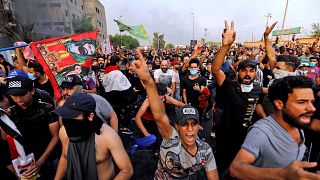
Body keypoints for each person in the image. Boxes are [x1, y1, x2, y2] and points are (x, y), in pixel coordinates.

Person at [130, 48, 219, 179]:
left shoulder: (205, 150)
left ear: (199, 126)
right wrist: (148, 82)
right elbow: (159, 116)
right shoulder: (170, 138)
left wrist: (185, 105)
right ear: (177, 127)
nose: (190, 129)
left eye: (194, 124)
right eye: (184, 124)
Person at [230, 76, 320, 179]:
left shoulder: (297, 125)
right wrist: (282, 174)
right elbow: (235, 169)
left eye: (311, 102)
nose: (312, 108)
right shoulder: (261, 132)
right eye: (301, 102)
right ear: (279, 104)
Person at [211, 20, 265, 177]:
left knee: (241, 171)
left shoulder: (257, 89)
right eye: (244, 71)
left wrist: (268, 122)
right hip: (226, 138)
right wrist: (226, 46)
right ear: (238, 72)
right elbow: (215, 70)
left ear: (255, 73)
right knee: (223, 169)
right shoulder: (229, 85)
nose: (248, 74)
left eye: (251, 71)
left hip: (247, 140)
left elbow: (258, 106)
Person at [54, 93, 133, 180]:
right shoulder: (64, 132)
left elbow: (127, 170)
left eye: (73, 115)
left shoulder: (108, 136)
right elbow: (65, 157)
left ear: (90, 116)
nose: (68, 120)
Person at [6, 75, 60, 179]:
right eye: (13, 95)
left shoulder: (47, 109)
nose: (18, 99)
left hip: (50, 160)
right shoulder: (10, 114)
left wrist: (40, 162)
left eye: (22, 94)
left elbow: (55, 137)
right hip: (26, 164)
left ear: (32, 91)